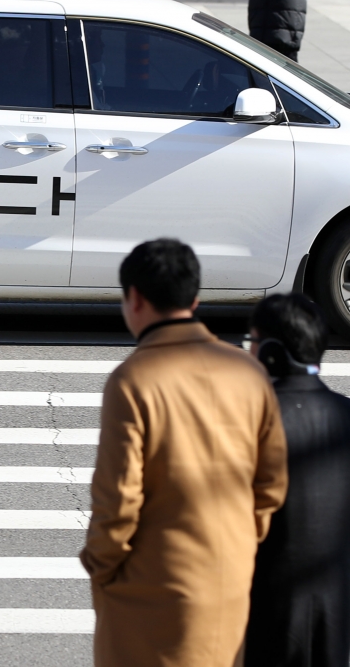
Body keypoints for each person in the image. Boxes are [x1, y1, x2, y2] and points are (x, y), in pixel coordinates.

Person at [80, 238, 289, 667]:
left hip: (149, 585)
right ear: (194, 299)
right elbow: (271, 483)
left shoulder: (134, 379)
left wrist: (102, 567)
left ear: (134, 298)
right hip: (230, 576)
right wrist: (241, 540)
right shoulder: (248, 372)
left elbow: (118, 499)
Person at [243, 293, 350, 667]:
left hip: (259, 606)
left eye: (252, 342)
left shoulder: (248, 421)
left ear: (270, 351)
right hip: (331, 605)